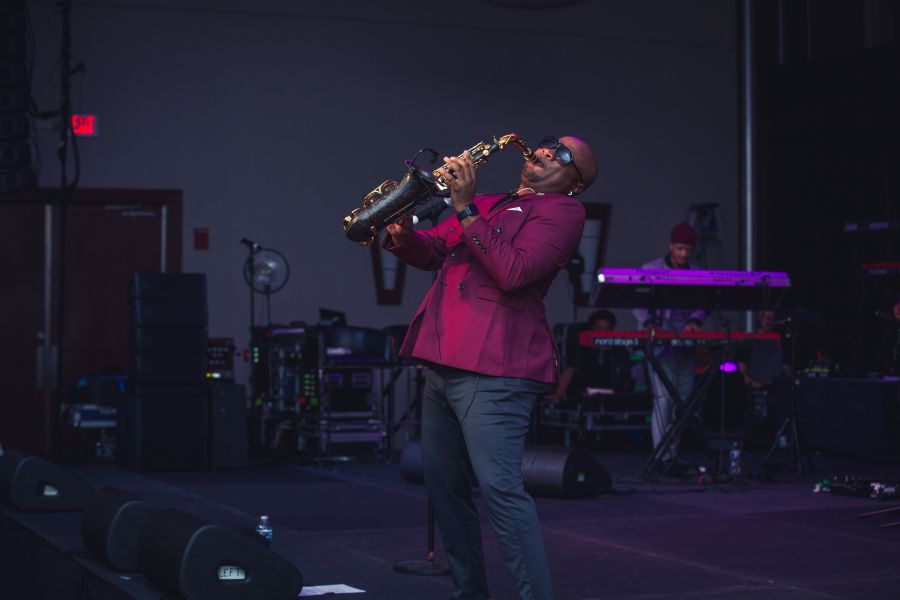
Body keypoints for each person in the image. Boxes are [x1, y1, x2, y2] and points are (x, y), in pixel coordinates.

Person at [383, 134, 597, 600]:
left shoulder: (564, 211)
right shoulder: (488, 202)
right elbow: (433, 251)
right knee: (444, 488)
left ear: (575, 184)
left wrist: (464, 207)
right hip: (443, 358)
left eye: (563, 155)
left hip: (497, 366)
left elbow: (514, 272)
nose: (546, 151)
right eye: (547, 144)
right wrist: (403, 236)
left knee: (500, 491)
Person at [632, 222, 706, 474]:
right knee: (663, 400)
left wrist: (695, 320)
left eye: (688, 250)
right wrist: (649, 322)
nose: (684, 254)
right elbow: (637, 301)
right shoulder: (651, 269)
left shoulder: (698, 272)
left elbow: (705, 302)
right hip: (660, 346)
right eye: (680, 248)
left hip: (686, 345)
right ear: (671, 246)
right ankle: (660, 456)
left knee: (682, 401)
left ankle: (671, 455)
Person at [545, 309, 632, 405]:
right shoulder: (581, 349)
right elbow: (569, 372)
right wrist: (557, 395)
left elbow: (628, 375)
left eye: (607, 329)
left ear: (612, 329)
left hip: (612, 399)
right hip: (584, 399)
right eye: (599, 328)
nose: (603, 333)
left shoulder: (620, 350)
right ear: (591, 329)